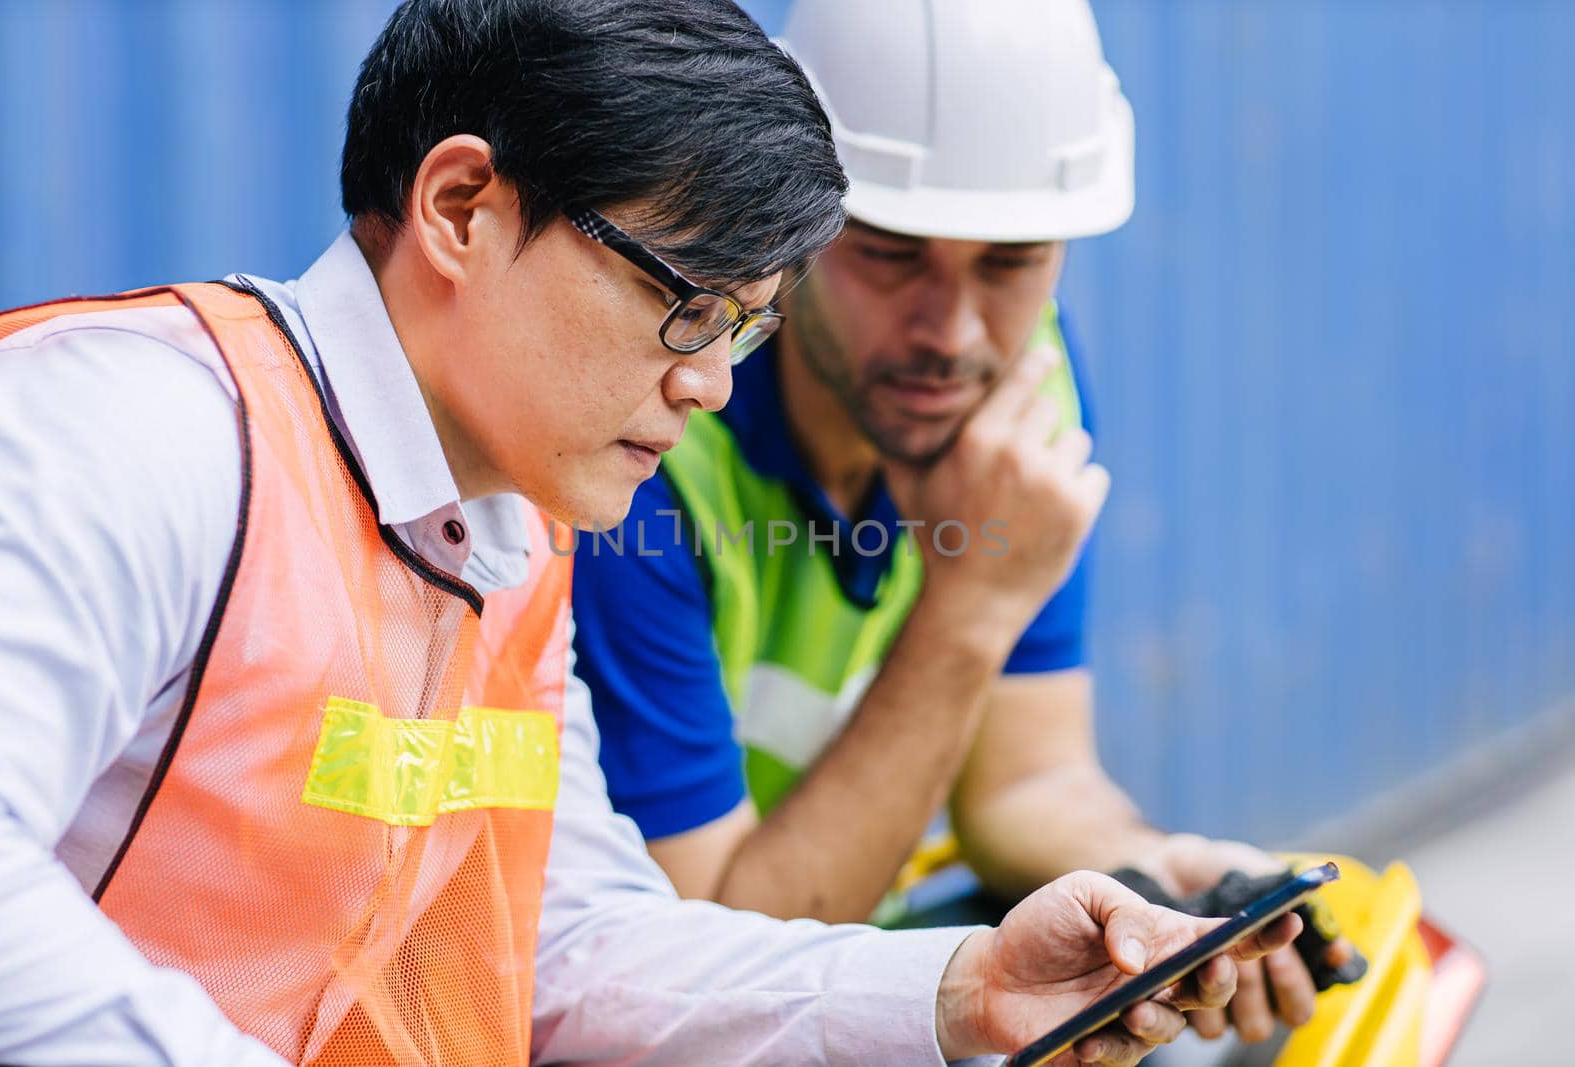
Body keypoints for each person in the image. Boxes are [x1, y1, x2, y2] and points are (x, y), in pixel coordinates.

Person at [0, 1, 1302, 1065]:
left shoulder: (506, 538)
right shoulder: (128, 428)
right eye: (685, 304)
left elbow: (569, 951)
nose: (711, 380)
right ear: (460, 207)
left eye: (746, 326)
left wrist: (960, 990)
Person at [570, 0, 1351, 1048]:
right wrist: (969, 607)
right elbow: (715, 956)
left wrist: (1166, 875)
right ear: (790, 225)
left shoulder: (1023, 387)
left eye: (1010, 262)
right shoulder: (651, 446)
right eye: (891, 256)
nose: (954, 333)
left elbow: (1024, 784)